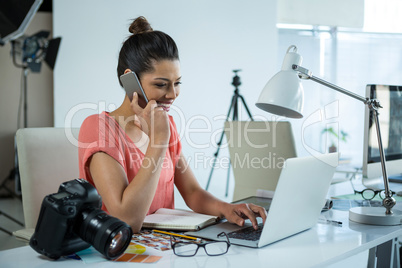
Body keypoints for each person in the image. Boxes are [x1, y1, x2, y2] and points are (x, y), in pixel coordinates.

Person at [78, 16, 266, 233]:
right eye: (161, 84)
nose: (172, 95)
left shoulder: (164, 124)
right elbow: (127, 221)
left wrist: (228, 208)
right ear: (130, 80)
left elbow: (193, 192)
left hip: (166, 249)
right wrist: (158, 142)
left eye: (177, 83)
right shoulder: (100, 128)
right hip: (119, 252)